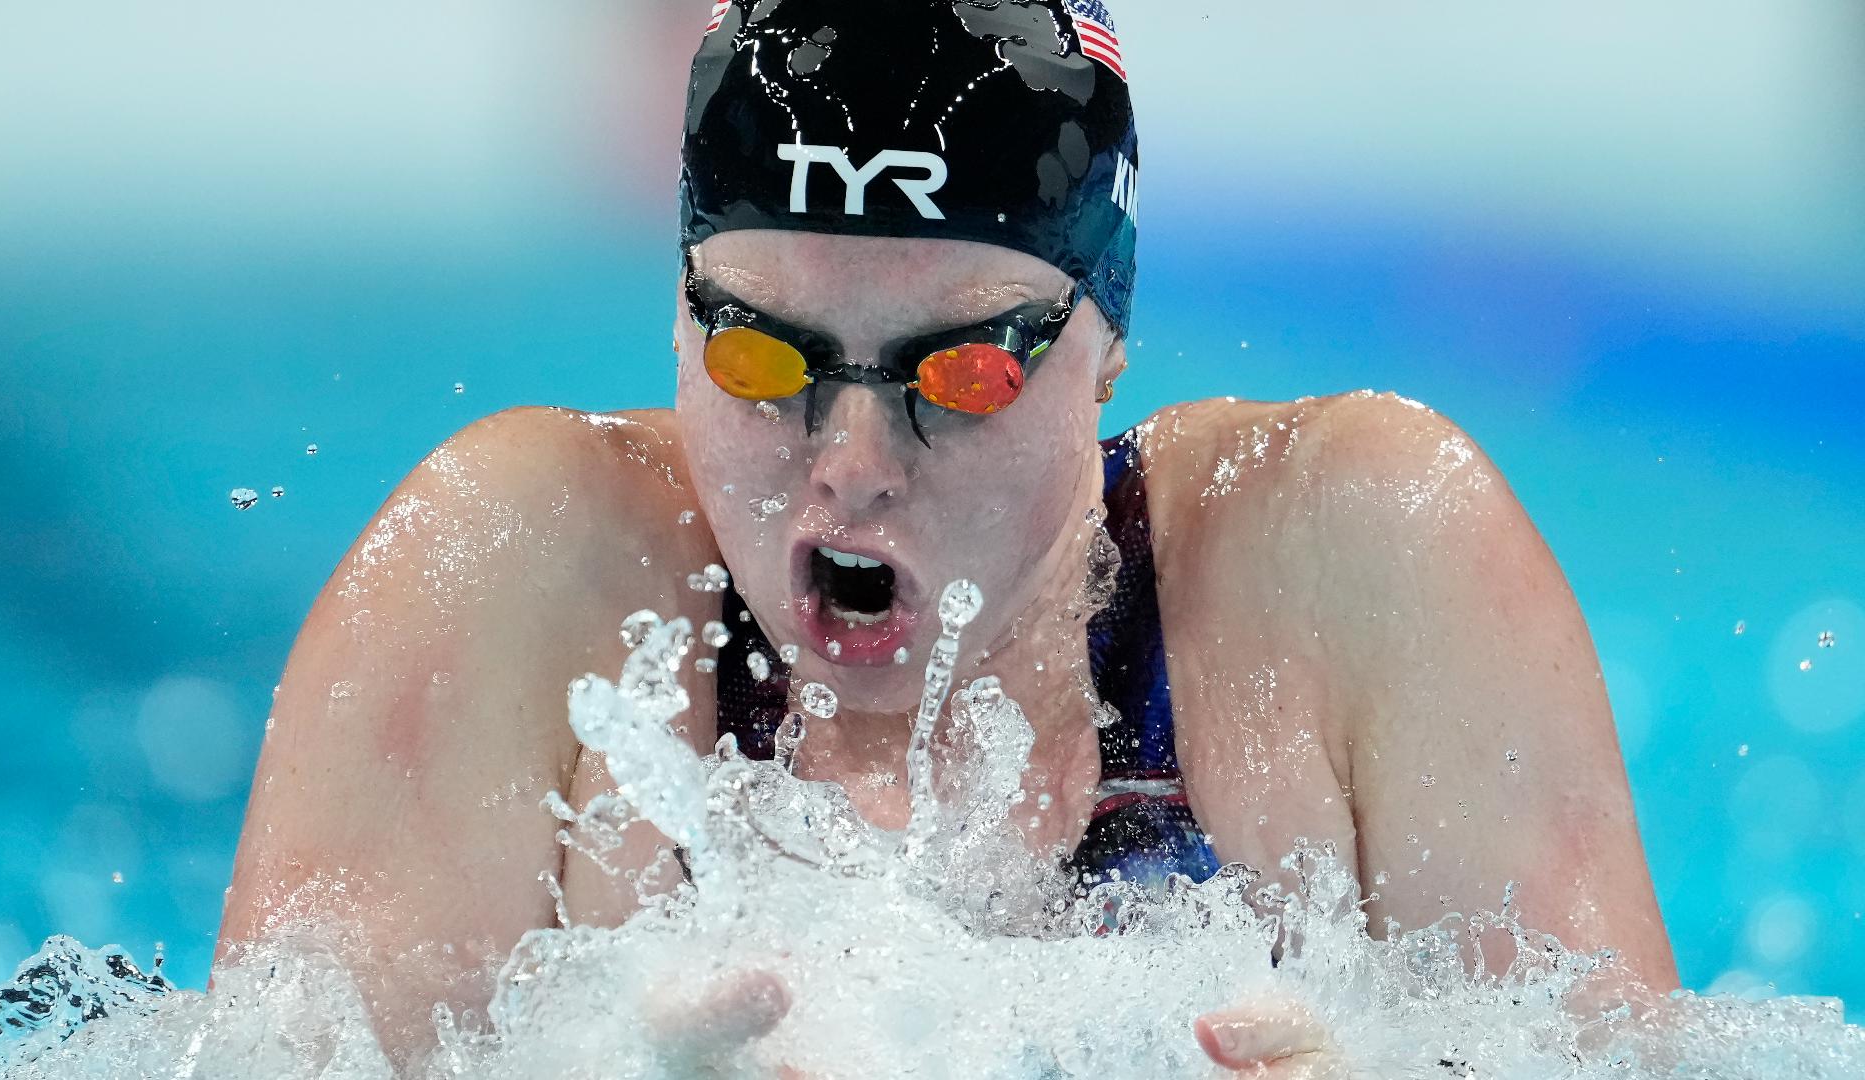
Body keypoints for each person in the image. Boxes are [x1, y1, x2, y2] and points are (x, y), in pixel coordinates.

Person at [218, 0, 1678, 1073]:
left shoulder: (1363, 553)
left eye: (960, 374)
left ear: (1107, 340)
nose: (850, 470)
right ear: (673, 320)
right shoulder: (514, 571)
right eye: (762, 362)